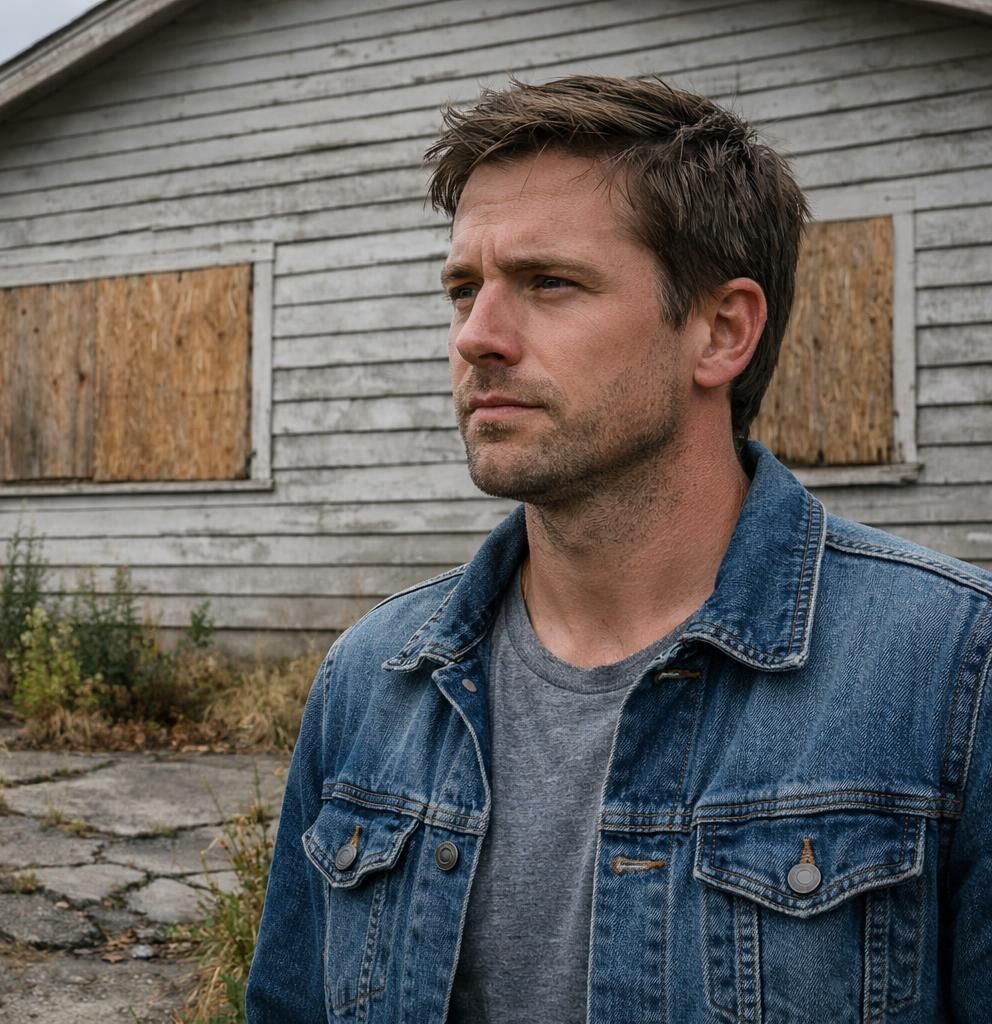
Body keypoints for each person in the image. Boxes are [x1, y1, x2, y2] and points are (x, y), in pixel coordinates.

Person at [245, 75, 992, 1023]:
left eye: (549, 283)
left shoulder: (953, 674)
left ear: (721, 331)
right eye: (463, 289)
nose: (476, 337)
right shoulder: (371, 681)